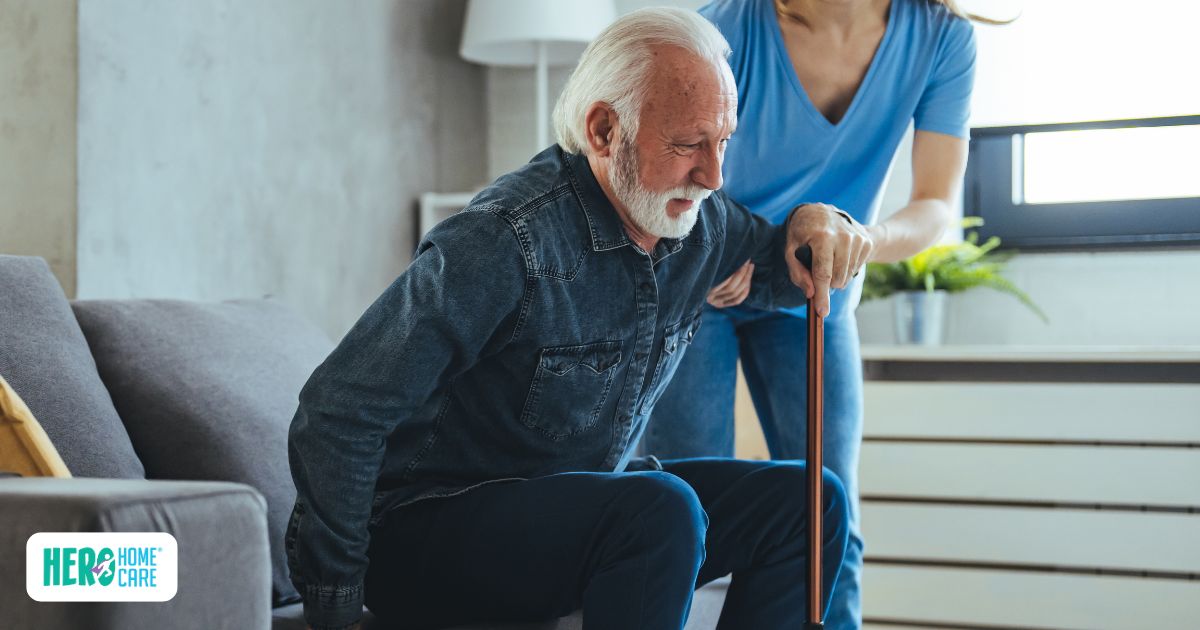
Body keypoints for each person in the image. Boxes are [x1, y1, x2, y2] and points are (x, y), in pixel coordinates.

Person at [286, 8, 876, 630]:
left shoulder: (696, 222)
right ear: (603, 130)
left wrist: (817, 220)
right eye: (686, 145)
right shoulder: (503, 239)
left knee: (811, 502)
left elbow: (790, 269)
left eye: (721, 141)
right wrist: (336, 608)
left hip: (579, 512)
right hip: (434, 530)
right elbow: (339, 409)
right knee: (659, 508)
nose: (713, 175)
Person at [644, 0, 983, 628]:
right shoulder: (726, 24)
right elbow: (673, 166)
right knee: (683, 512)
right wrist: (724, 242)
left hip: (819, 291)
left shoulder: (942, 41)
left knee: (834, 516)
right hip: (702, 281)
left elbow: (936, 204)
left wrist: (862, 238)